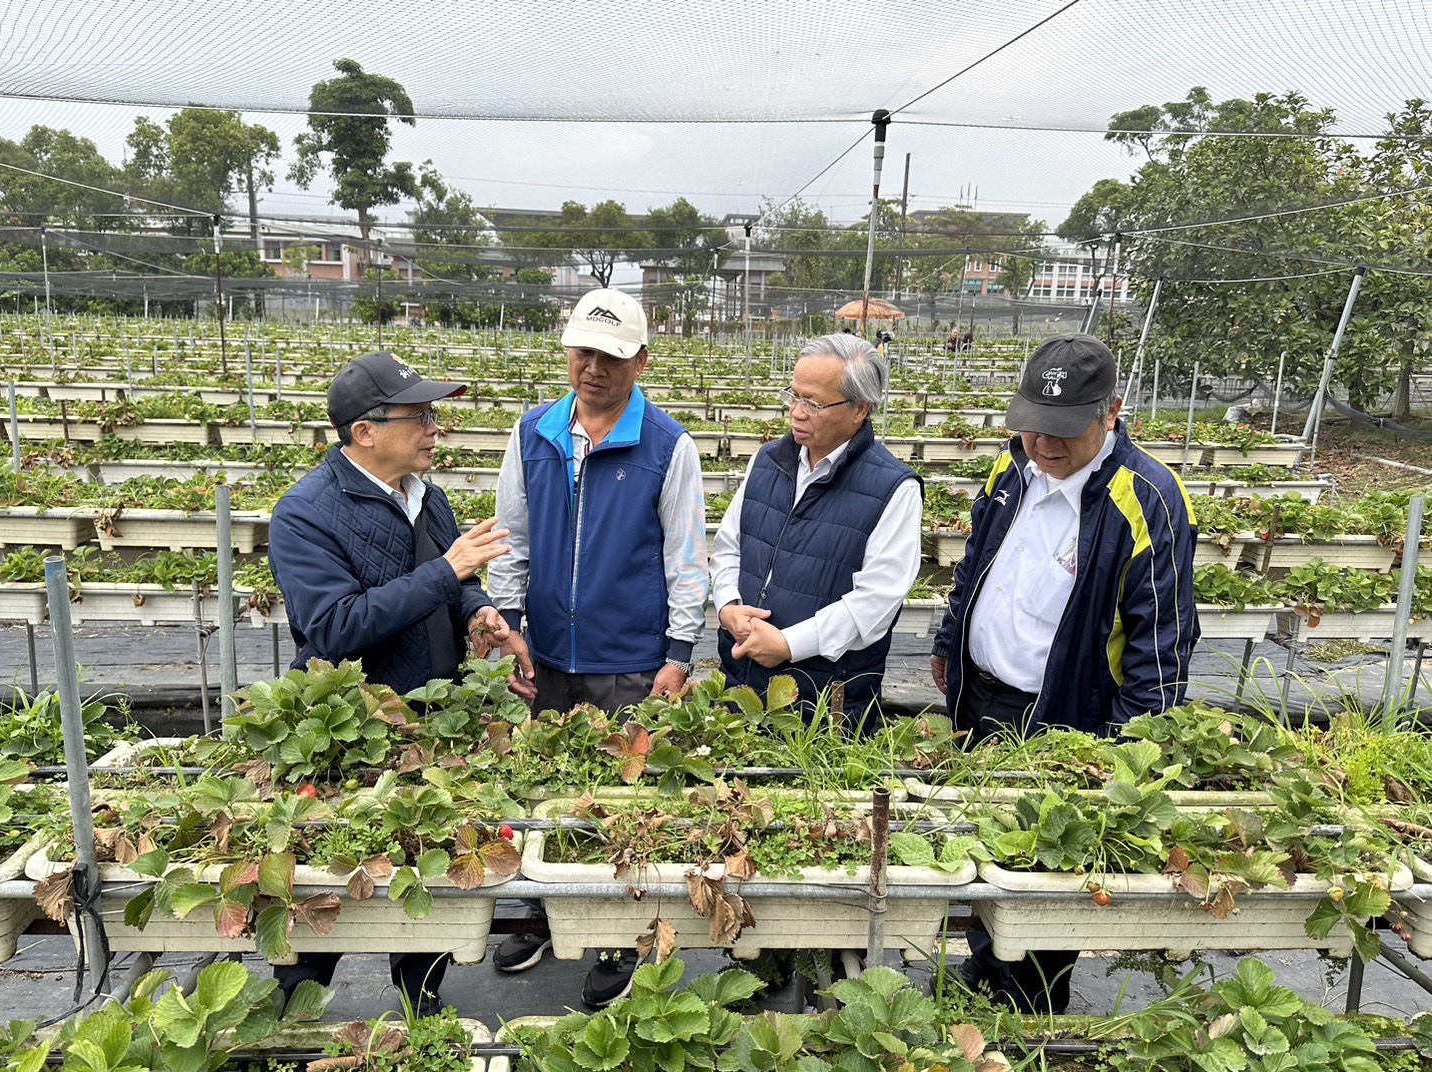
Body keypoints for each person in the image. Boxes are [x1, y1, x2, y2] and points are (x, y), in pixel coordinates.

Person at [930, 332, 1199, 1014]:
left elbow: (1162, 643)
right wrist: (947, 641)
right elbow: (972, 569)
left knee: (1049, 867)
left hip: (1071, 718)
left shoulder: (1148, 498)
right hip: (984, 701)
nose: (1043, 446)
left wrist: (1127, 749)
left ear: (1109, 412)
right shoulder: (1008, 471)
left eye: (1062, 431)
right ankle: (985, 974)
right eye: (1030, 428)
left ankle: (1029, 1012)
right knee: (990, 846)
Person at [268, 349, 535, 1016]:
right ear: (365, 431)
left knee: (432, 869)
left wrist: (480, 614)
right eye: (419, 415)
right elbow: (332, 630)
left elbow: (457, 585)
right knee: (329, 869)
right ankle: (292, 1016)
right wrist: (448, 574)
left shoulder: (428, 498)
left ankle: (421, 1000)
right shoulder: (305, 514)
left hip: (434, 726)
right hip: (349, 733)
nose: (433, 427)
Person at [488, 287, 710, 1007]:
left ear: (640, 360)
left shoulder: (668, 447)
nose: (593, 368)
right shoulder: (533, 434)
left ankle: (617, 937)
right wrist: (508, 621)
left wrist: (676, 653)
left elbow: (685, 558)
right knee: (536, 790)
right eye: (583, 351)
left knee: (620, 802)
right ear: (567, 351)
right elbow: (511, 536)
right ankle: (534, 914)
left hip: (629, 662)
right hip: (548, 654)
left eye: (612, 356)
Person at [711, 332, 922, 730]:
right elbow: (728, 548)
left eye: (813, 403)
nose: (796, 412)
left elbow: (875, 604)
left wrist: (789, 645)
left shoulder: (894, 489)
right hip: (739, 679)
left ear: (860, 408)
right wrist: (728, 607)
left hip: (822, 701)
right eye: (793, 396)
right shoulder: (767, 461)